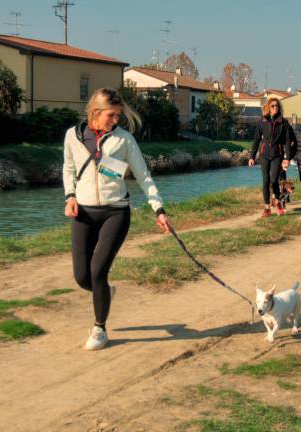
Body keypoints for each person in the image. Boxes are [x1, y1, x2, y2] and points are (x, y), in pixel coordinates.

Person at [63, 88, 171, 351]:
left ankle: (99, 328)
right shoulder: (72, 136)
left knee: (98, 271)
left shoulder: (125, 140)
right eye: (112, 115)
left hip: (116, 212)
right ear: (95, 112)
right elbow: (68, 167)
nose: (116, 120)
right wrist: (70, 196)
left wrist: (159, 209)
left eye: (118, 116)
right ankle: (105, 293)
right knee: (81, 277)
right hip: (84, 213)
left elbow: (143, 176)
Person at [249, 97, 295, 217]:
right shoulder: (262, 122)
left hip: (277, 155)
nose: (275, 108)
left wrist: (287, 158)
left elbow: (288, 141)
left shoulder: (283, 122)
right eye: (273, 106)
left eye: (277, 106)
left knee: (274, 180)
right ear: (268, 108)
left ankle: (278, 203)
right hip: (264, 155)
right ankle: (267, 209)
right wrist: (252, 156)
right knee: (265, 181)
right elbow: (256, 139)